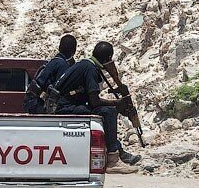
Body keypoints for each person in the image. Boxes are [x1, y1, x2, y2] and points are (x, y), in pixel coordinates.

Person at [50, 41, 142, 173]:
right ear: (108, 58)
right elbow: (94, 101)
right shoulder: (90, 69)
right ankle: (113, 160)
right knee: (108, 112)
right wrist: (117, 104)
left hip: (64, 105)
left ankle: (119, 153)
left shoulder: (86, 64)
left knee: (107, 111)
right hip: (65, 108)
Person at [24, 34, 78, 114]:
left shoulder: (53, 62)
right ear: (74, 51)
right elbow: (62, 90)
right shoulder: (62, 65)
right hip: (39, 105)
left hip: (31, 103)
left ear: (59, 47)